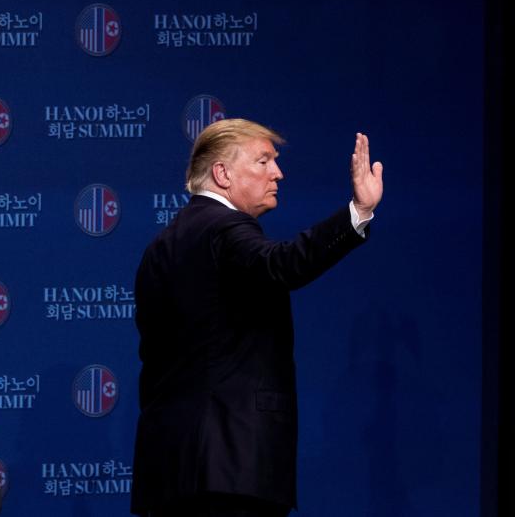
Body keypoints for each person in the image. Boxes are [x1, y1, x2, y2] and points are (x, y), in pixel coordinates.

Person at [131, 118, 383, 517]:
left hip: (169, 468)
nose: (277, 173)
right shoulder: (225, 228)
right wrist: (358, 212)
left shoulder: (159, 248)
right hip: (230, 466)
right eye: (263, 161)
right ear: (222, 173)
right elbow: (282, 264)